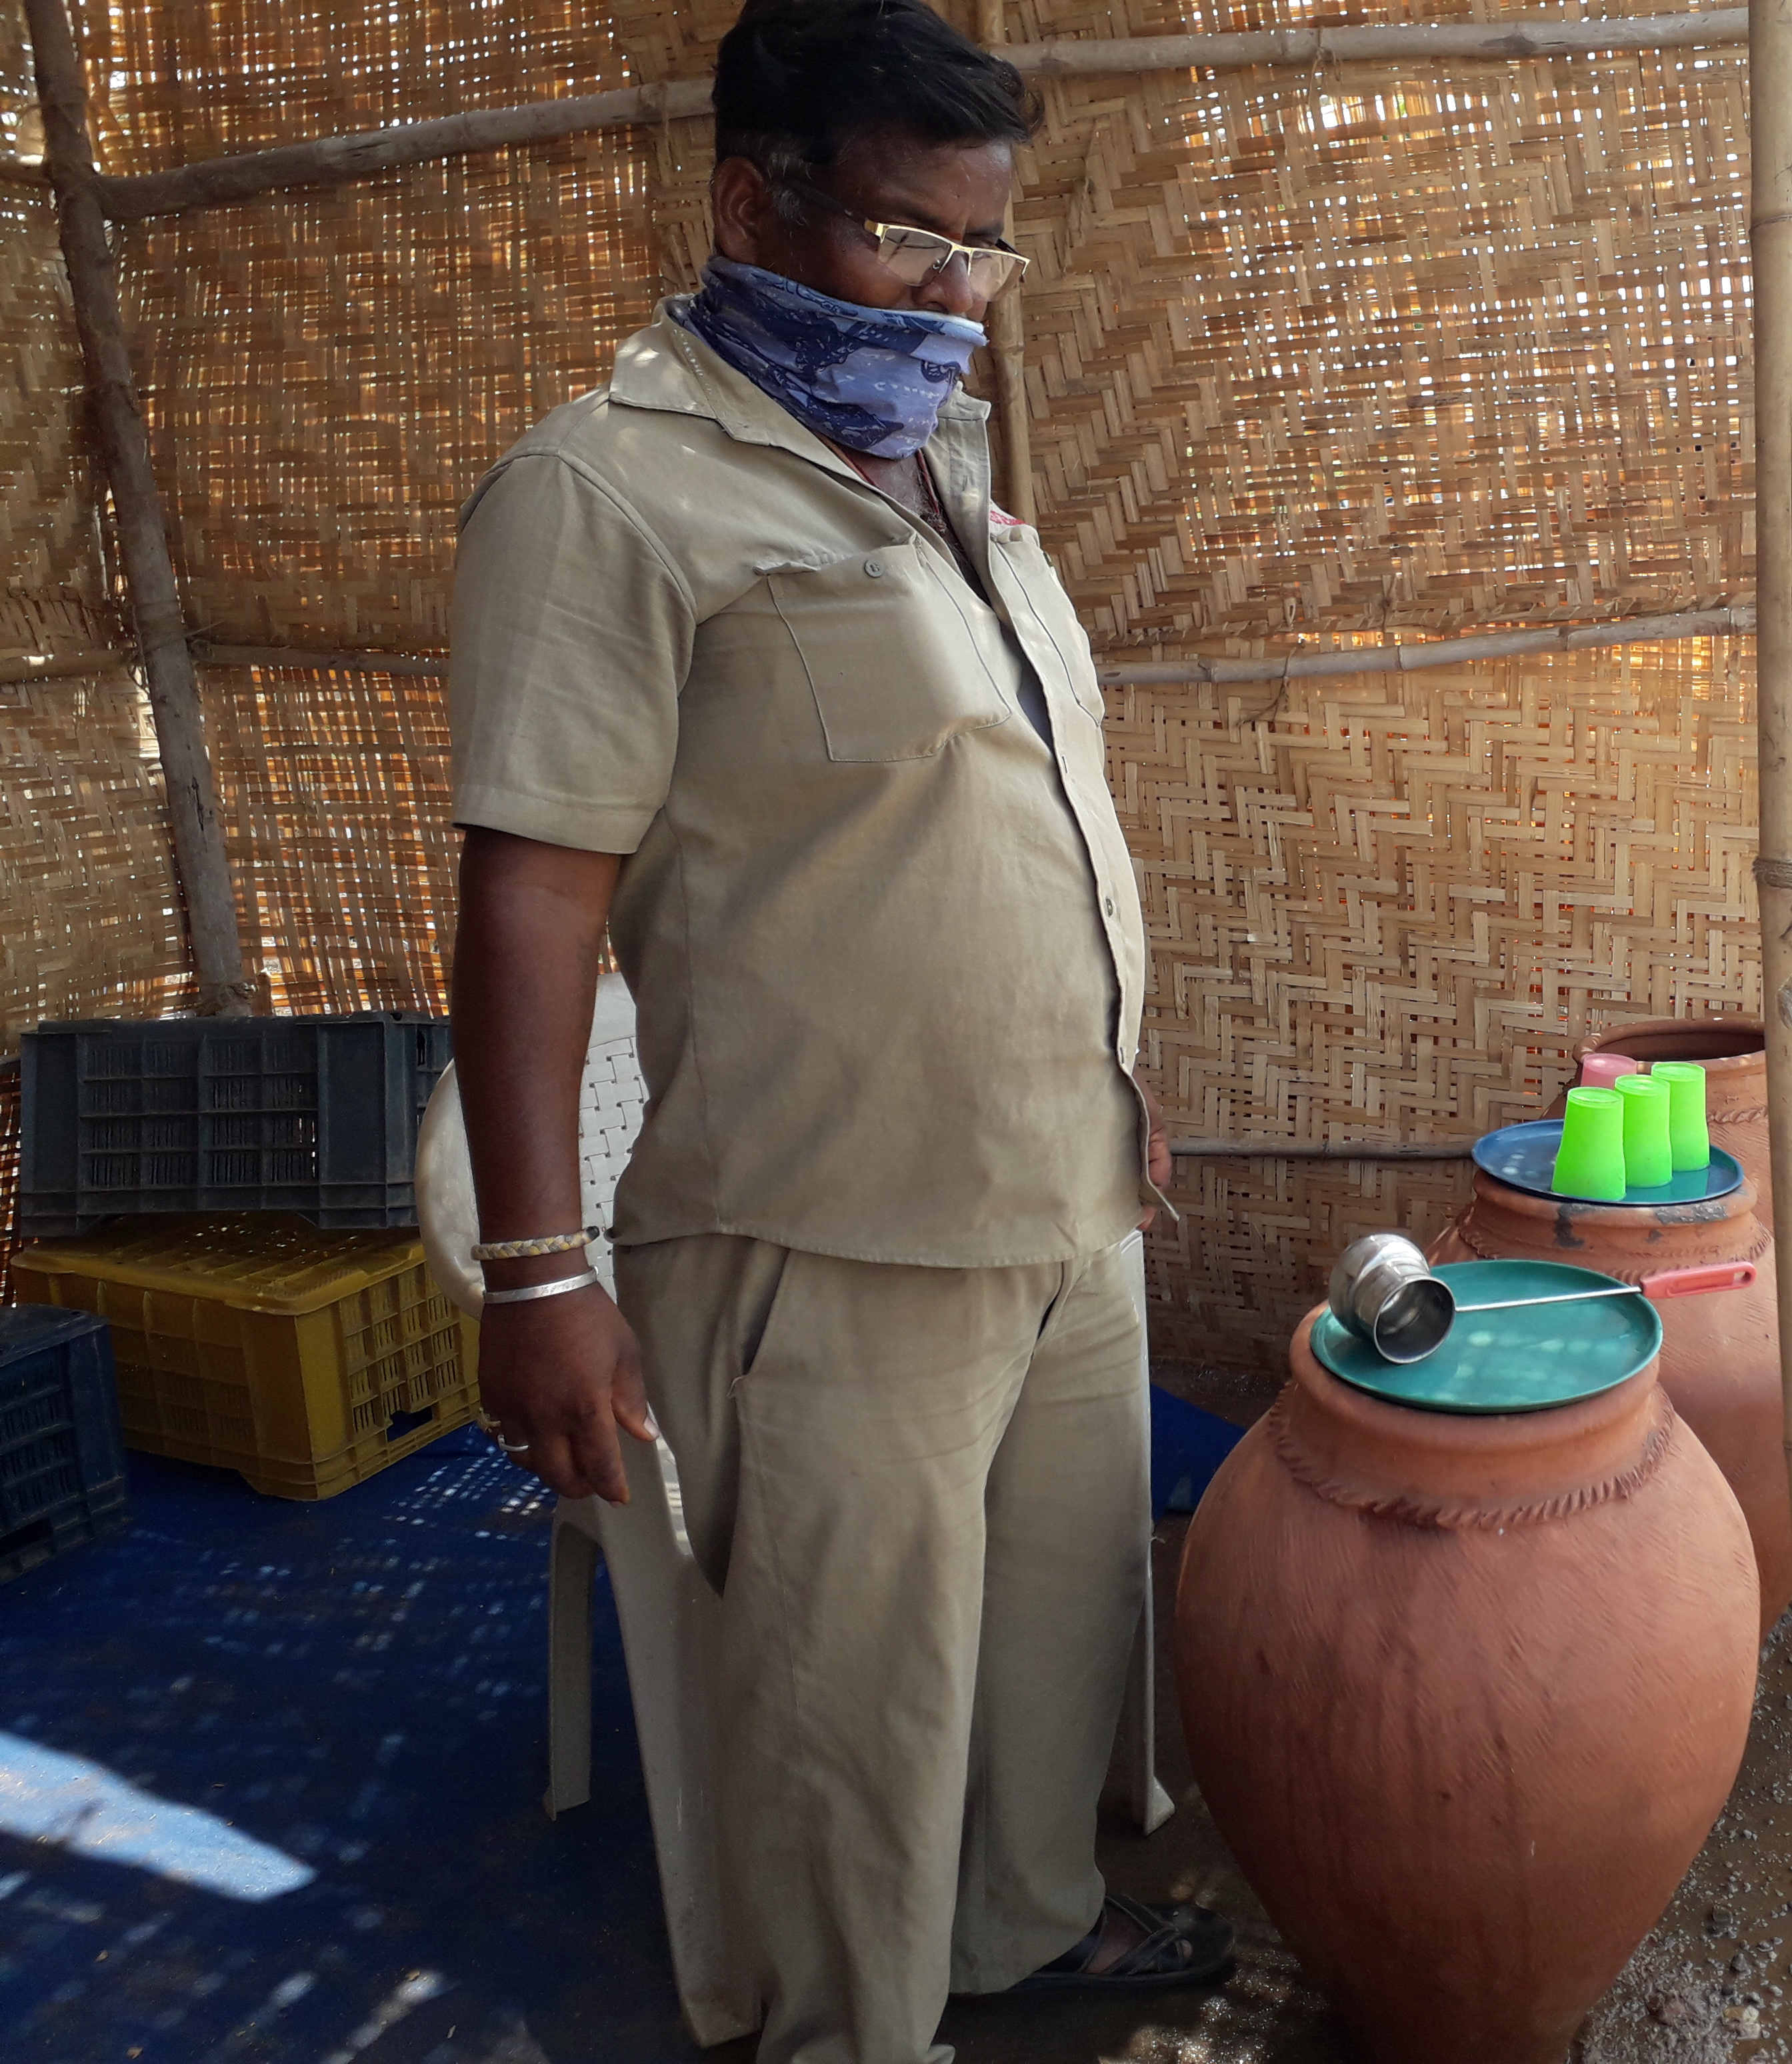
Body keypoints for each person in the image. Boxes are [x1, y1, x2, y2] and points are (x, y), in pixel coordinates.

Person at [443, 2, 1232, 2056]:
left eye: (984, 252)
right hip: (828, 1239)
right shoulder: (611, 495)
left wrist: (1112, 1098)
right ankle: (846, 2032)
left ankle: (1025, 1937)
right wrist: (539, 1271)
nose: (954, 299)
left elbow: (999, 827)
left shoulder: (938, 483)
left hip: (1060, 1207)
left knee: (1052, 1656)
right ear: (748, 200)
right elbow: (533, 893)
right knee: (849, 1726)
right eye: (905, 240)